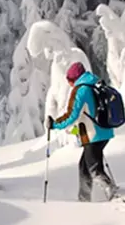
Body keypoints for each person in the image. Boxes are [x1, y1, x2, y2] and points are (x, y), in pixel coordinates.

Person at [46, 62, 116, 202]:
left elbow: (72, 114)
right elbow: (88, 112)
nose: (70, 84)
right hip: (103, 132)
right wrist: (76, 130)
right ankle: (84, 198)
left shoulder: (81, 90)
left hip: (93, 135)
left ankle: (112, 193)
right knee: (85, 166)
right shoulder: (94, 84)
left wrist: (54, 124)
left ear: (74, 78)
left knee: (94, 170)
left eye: (70, 81)